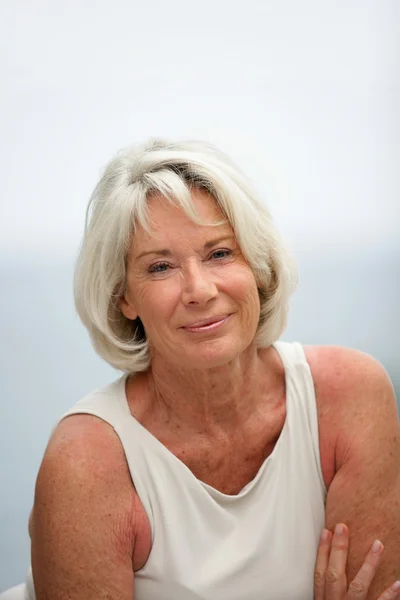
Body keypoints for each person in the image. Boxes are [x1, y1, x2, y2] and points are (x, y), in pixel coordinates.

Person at [23, 139, 400, 598]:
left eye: (220, 253)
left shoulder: (351, 396)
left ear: (258, 266)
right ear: (123, 298)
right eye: (160, 267)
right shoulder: (85, 462)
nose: (198, 290)